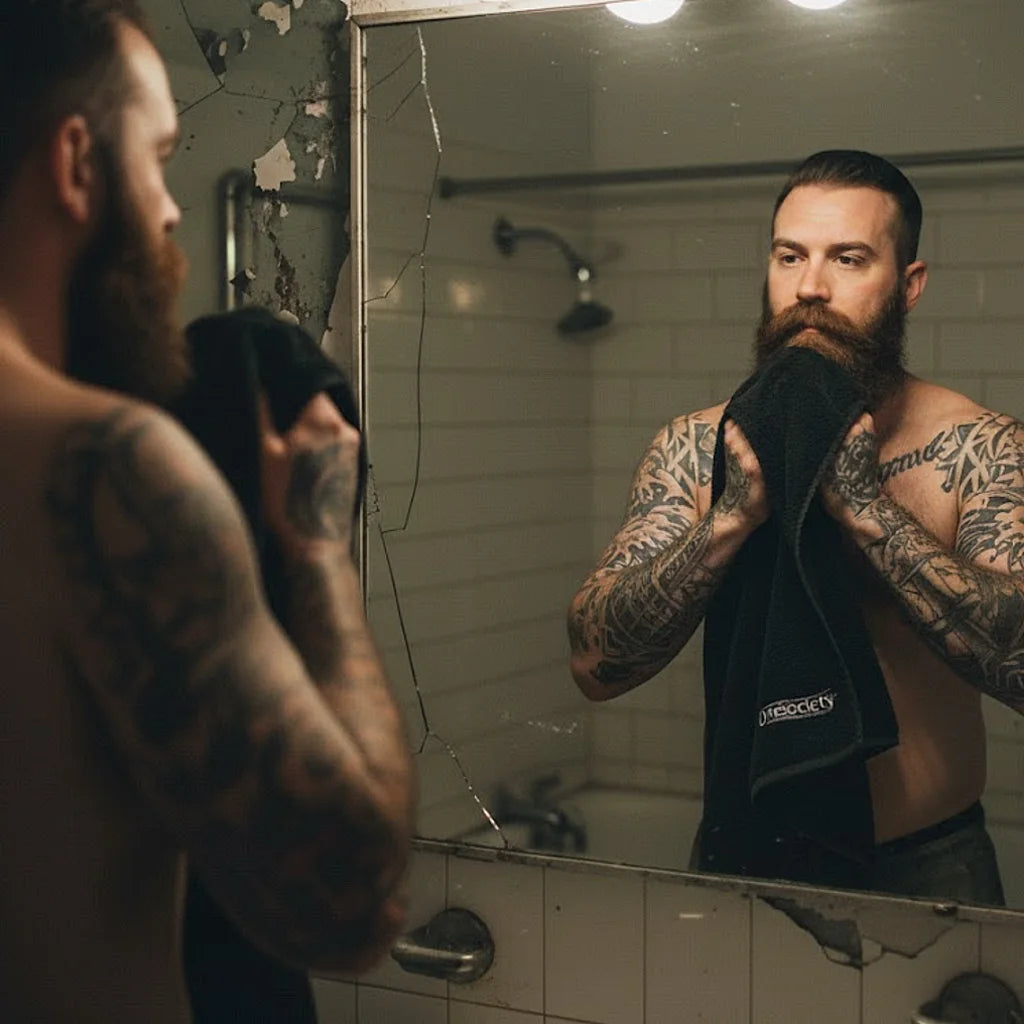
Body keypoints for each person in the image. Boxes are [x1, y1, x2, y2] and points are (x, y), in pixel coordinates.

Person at [0, 3, 414, 1021]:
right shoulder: (102, 470)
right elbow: (349, 905)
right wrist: (315, 550)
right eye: (158, 155)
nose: (174, 208)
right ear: (76, 163)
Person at [568, 148, 1024, 904]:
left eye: (849, 258)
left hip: (924, 865)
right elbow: (593, 661)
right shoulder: (696, 447)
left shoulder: (976, 448)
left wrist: (866, 510)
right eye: (791, 256)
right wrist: (731, 520)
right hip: (743, 853)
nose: (810, 288)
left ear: (908, 286)